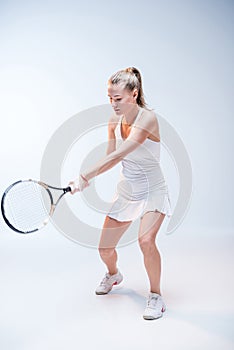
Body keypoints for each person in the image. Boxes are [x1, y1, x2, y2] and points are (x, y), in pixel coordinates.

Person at [69, 67, 172, 320]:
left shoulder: (148, 118)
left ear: (134, 94)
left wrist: (85, 175)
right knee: (104, 250)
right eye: (109, 98)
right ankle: (114, 274)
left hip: (153, 190)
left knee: (146, 241)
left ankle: (156, 296)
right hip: (127, 191)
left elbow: (121, 153)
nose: (113, 104)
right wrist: (88, 180)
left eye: (118, 98)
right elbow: (111, 158)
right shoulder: (113, 121)